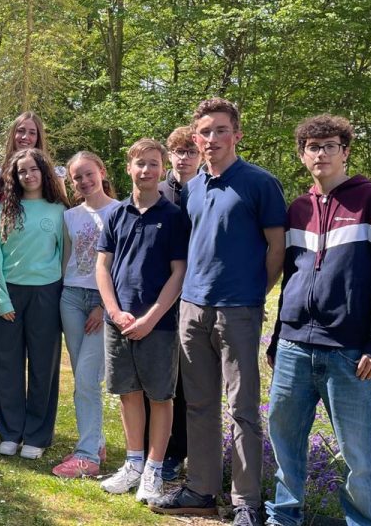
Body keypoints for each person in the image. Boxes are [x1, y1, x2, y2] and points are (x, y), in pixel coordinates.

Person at [265, 114, 371, 526]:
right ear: (302, 155)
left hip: (349, 352)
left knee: (357, 453)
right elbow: (292, 278)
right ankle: (284, 517)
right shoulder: (298, 209)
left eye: (330, 146)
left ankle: (362, 522)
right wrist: (277, 337)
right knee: (284, 441)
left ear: (345, 152)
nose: (321, 153)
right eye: (313, 147)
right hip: (294, 346)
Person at [151, 98, 287, 526]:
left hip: (238, 311)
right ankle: (201, 490)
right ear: (196, 138)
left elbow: (277, 248)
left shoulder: (260, 183)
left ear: (237, 134)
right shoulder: (193, 187)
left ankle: (247, 502)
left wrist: (255, 293)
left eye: (221, 130)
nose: (212, 139)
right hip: (193, 308)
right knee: (199, 405)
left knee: (243, 409)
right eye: (205, 132)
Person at [95, 139, 190, 504]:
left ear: (162, 169)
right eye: (140, 163)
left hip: (158, 324)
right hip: (118, 321)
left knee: (160, 396)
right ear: (129, 167)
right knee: (128, 393)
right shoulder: (116, 214)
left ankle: (154, 469)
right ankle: (133, 464)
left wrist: (151, 318)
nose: (146, 170)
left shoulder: (174, 217)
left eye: (153, 164)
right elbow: (103, 267)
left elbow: (179, 272)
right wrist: (114, 312)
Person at [0, 148, 69, 460]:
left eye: (34, 169)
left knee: (43, 366)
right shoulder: (3, 211)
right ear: (14, 176)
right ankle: (10, 432)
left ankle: (37, 435)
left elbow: (65, 257)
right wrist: (1, 298)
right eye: (22, 171)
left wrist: (59, 293)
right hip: (9, 295)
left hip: (46, 294)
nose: (28, 175)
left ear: (43, 172)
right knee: (7, 366)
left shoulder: (59, 210)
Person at [51, 151, 120, 478]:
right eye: (77, 177)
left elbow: (122, 265)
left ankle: (87, 456)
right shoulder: (70, 216)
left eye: (89, 173)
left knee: (88, 378)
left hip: (101, 302)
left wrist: (104, 305)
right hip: (71, 298)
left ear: (102, 172)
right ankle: (96, 442)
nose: (84, 181)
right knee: (83, 377)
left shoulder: (119, 211)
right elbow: (66, 259)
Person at [144, 124, 198, 480]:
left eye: (191, 152)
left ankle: (179, 451)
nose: (184, 158)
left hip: (195, 294)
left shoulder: (207, 190)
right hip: (156, 295)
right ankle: (150, 450)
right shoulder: (157, 191)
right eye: (179, 151)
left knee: (187, 378)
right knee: (156, 376)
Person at [0, 112, 49, 194]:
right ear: (13, 134)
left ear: (38, 138)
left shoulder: (51, 175)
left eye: (32, 133)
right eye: (21, 131)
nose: (25, 137)